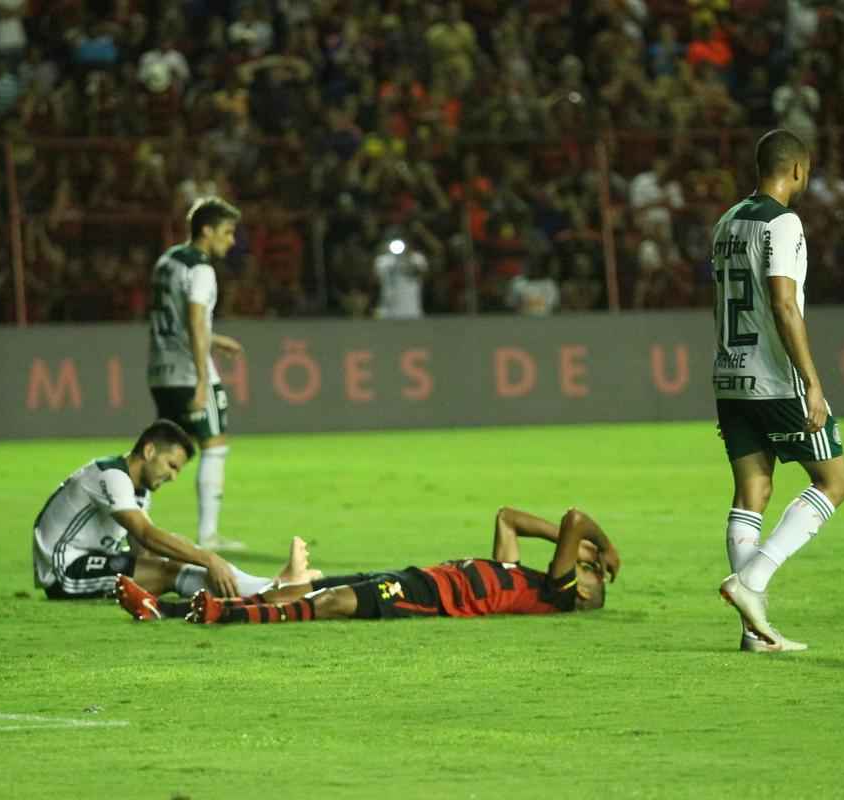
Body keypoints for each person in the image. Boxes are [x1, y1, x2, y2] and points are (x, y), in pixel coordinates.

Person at [710, 129, 844, 654]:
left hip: (730, 374)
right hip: (775, 377)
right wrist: (812, 382)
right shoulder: (783, 222)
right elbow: (783, 304)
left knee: (752, 492)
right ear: (796, 169)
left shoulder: (726, 221)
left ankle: (754, 631)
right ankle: (752, 581)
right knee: (834, 481)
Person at [114, 507, 621, 625]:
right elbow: (507, 517)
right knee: (304, 586)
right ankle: (166, 607)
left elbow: (574, 518)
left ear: (580, 588)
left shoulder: (555, 593)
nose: (587, 563)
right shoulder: (519, 578)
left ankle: (221, 615)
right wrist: (576, 547)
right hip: (414, 576)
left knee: (330, 602)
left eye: (590, 571)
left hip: (428, 600)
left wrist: (603, 545)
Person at [32, 420, 312, 602]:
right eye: (171, 465)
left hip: (92, 558)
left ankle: (273, 584)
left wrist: (190, 555)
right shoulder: (112, 477)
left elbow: (145, 547)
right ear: (150, 450)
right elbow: (147, 535)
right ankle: (273, 592)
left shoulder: (137, 487)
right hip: (64, 572)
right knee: (173, 570)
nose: (173, 477)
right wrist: (209, 559)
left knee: (178, 553)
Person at [147, 197, 246, 551]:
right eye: (227, 232)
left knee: (155, 451)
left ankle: (135, 532)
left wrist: (213, 338)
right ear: (206, 230)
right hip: (189, 371)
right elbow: (192, 318)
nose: (231, 241)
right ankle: (208, 536)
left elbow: (173, 318)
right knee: (214, 446)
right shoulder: (202, 269)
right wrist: (204, 379)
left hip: (160, 371)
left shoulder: (168, 261)